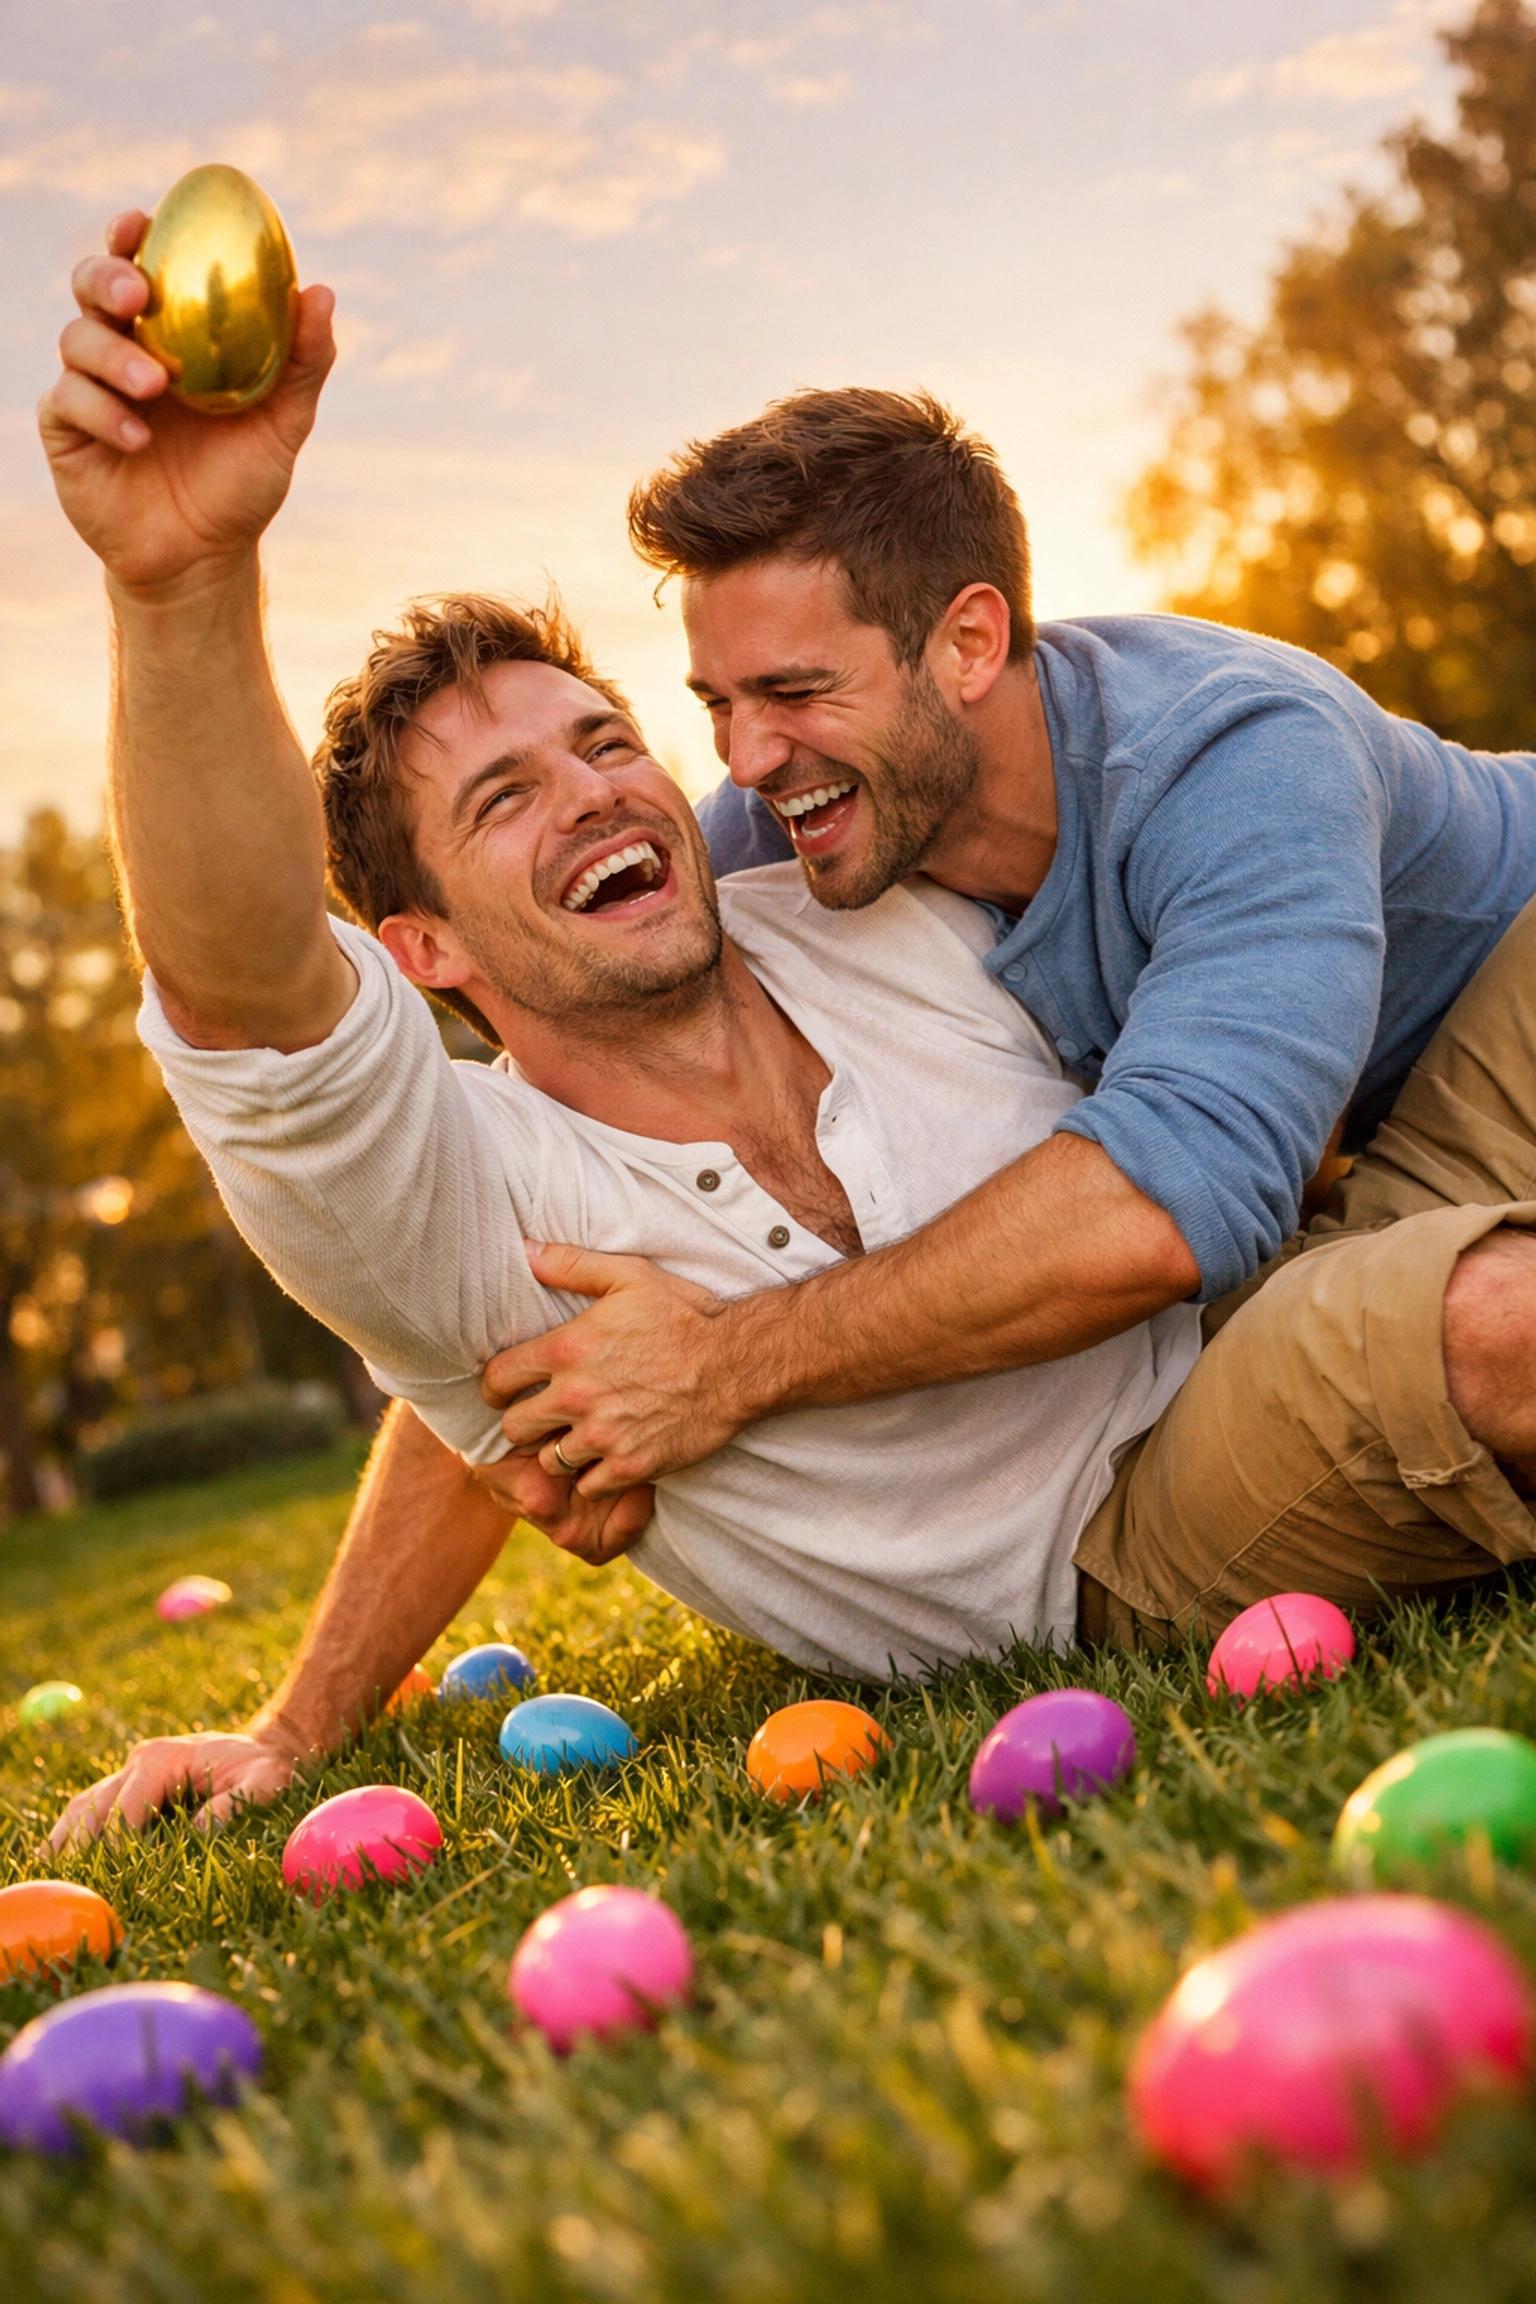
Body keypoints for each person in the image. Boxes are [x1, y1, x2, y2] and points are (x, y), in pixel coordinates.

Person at [38, 213, 1536, 1840]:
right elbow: (271, 1022)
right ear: (420, 948)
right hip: (1138, 1501)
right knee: (1500, 1324)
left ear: (965, 647)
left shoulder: (948, 847)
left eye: (608, 741)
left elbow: (1188, 1179)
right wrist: (178, 586)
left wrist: (724, 1367)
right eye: (506, 797)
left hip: (1320, 1201)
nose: (693, 772)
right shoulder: (614, 1032)